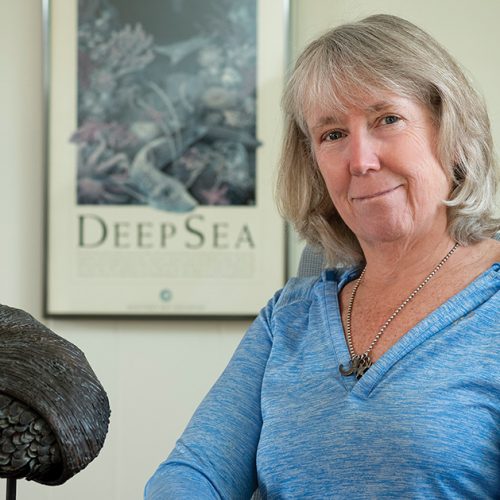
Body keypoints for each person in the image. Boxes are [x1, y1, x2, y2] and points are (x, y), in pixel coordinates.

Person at [145, 14, 499, 498]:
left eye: (387, 120)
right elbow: (195, 470)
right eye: (332, 134)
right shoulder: (289, 316)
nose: (360, 160)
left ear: (450, 133)